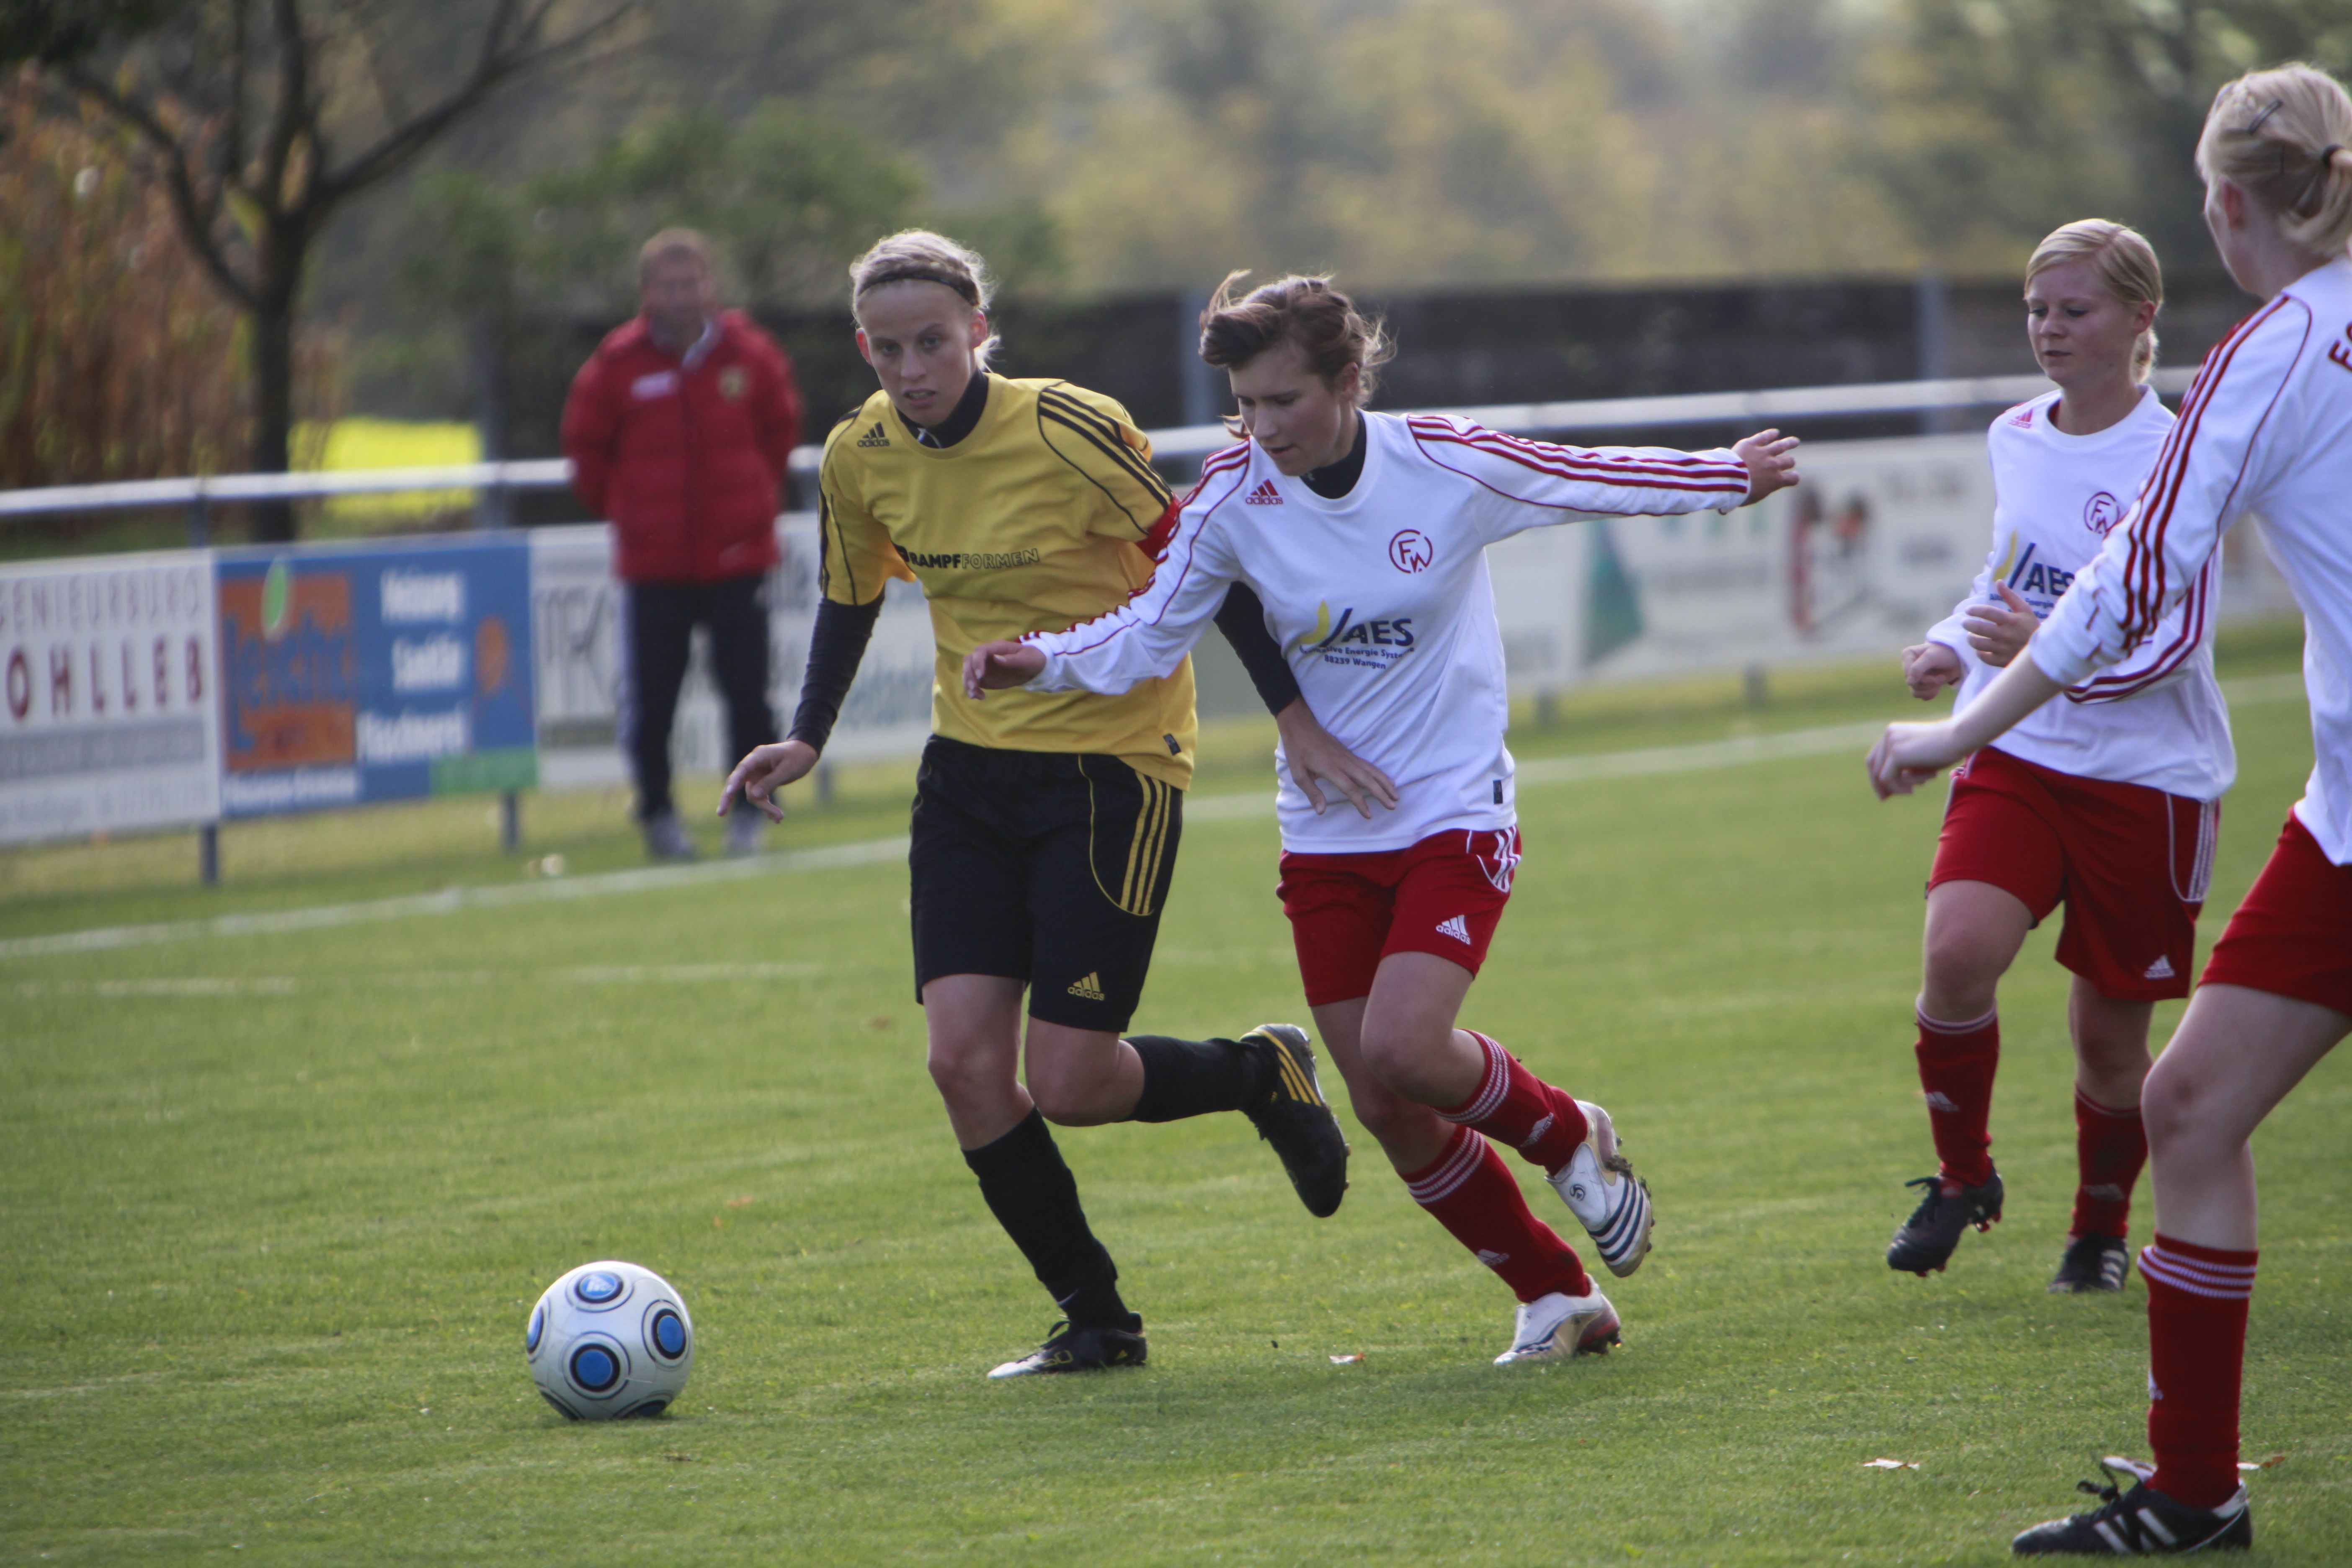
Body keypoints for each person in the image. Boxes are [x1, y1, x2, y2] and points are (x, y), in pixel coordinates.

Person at [965, 272, 1799, 1365]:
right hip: (1326, 831)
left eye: (1284, 401)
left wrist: (1726, 476)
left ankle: (1568, 1133)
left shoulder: (1442, 464)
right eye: (1245, 405)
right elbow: (1150, 629)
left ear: (1348, 380)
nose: (1263, 427)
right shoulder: (1232, 495)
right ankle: (1557, 1297)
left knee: (1407, 1045)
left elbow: (1582, 476)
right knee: (1384, 1098)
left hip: (1454, 808)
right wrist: (1041, 659)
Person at [720, 231, 1380, 1380]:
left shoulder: (1071, 427)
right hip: (967, 776)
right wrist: (807, 737)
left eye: (934, 342)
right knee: (963, 1066)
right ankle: (1097, 1319)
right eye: (888, 348)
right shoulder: (858, 454)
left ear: (978, 332)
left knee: (1071, 1084)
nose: (912, 368)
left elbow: (1201, 566)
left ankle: (1259, 1071)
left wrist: (1292, 716)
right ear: (865, 350)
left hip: (1111, 768)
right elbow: (849, 596)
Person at [1869, 64, 2352, 1557]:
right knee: (2183, 1100)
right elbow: (2035, 576)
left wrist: (1957, 729)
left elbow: (2121, 595)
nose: (2048, 326)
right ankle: (2195, 1492)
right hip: (2336, 824)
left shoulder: (2270, 355)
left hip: (2174, 783)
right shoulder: (2047, 429)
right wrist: (1965, 665)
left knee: (2157, 1082)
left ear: (2223, 211)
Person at [1883, 220, 2233, 1295]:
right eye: (2038, 310)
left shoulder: (2182, 456)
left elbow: (2175, 643)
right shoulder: (2017, 435)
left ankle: (2098, 1230)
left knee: (2109, 1045)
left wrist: (2046, 650)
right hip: (2021, 749)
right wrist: (1954, 643)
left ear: (2141, 318)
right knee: (1957, 955)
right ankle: (1962, 1176)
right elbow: (2007, 577)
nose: (2049, 329)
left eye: (2074, 310)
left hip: (2148, 780)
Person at [562, 228, 802, 862]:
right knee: (653, 704)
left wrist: (749, 506)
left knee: (748, 697)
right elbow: (587, 455)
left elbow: (779, 434)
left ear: (710, 284)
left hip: (739, 562)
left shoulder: (750, 354)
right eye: (668, 285)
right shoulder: (617, 364)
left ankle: (751, 813)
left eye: (691, 282)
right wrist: (636, 516)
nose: (681, 295)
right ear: (647, 291)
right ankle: (659, 815)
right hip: (656, 568)